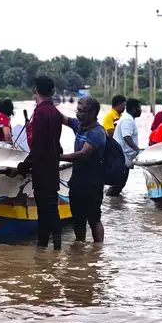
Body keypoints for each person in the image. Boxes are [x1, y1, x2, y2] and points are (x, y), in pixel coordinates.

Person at [8, 75, 65, 250]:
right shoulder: (55, 112)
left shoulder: (40, 113)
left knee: (43, 211)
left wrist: (21, 168)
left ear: (35, 91)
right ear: (53, 92)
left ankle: (42, 249)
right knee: (52, 210)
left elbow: (38, 147)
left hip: (42, 169)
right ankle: (56, 250)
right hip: (53, 168)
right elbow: (56, 145)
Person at [60, 97, 106, 243]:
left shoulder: (97, 132)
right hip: (77, 181)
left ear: (93, 113)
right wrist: (44, 103)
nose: (78, 114)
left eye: (82, 111)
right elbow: (62, 119)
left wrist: (57, 156)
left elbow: (82, 154)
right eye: (77, 111)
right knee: (77, 219)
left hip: (93, 183)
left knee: (94, 219)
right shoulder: (79, 125)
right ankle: (80, 248)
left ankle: (98, 250)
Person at [107, 98, 141, 197]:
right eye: (139, 108)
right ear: (134, 109)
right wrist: (137, 150)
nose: (140, 110)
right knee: (118, 184)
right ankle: (111, 205)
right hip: (121, 157)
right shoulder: (127, 120)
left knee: (119, 184)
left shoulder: (128, 118)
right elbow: (127, 137)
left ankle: (112, 205)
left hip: (123, 157)